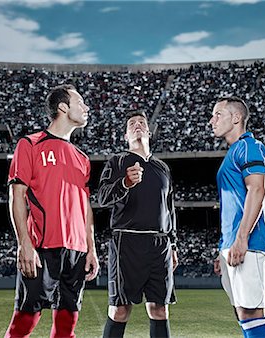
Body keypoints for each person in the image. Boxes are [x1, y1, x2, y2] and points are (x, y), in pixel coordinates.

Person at [4, 84, 99, 338]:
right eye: (80, 102)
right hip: (42, 248)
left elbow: (85, 207)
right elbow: (18, 195)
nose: (86, 107)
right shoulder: (30, 144)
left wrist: (91, 248)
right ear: (63, 107)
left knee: (66, 329)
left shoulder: (83, 158)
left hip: (77, 253)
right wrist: (24, 242)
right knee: (22, 326)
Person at [98, 111, 178, 338]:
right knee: (120, 310)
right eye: (132, 124)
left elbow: (169, 208)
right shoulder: (117, 161)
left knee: (160, 310)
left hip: (160, 245)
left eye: (142, 123)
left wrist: (172, 244)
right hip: (126, 242)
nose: (137, 125)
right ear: (126, 135)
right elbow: (102, 197)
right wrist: (124, 182)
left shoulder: (162, 168)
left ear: (149, 132)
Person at [210, 96, 265, 338]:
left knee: (252, 313)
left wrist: (241, 239)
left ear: (236, 118)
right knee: (243, 314)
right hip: (233, 243)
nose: (211, 121)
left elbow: (257, 190)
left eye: (218, 114)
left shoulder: (250, 146)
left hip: (249, 244)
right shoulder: (235, 151)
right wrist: (224, 248)